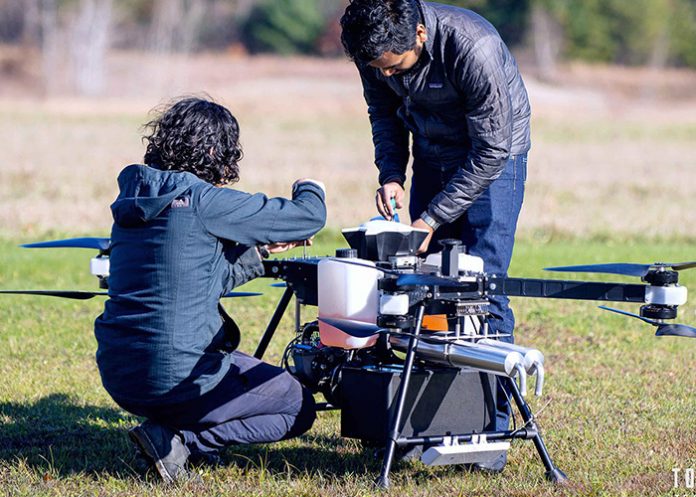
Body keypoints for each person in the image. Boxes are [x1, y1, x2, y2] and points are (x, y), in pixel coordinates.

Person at [94, 97, 327, 483]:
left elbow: (200, 279)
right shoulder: (203, 199)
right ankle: (178, 440)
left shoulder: (135, 201)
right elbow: (308, 217)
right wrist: (311, 186)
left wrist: (259, 252)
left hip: (120, 372)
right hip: (176, 375)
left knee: (233, 370)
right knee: (296, 405)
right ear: (214, 150)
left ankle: (170, 427)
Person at [340, 0, 531, 472]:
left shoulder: (474, 47)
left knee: (480, 285)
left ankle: (490, 427)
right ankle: (423, 421)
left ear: (420, 37)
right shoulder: (375, 47)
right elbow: (382, 114)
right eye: (375, 69)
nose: (384, 75)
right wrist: (390, 175)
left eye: (393, 67)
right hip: (430, 151)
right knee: (421, 283)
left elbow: (492, 149)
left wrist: (429, 220)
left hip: (492, 159)